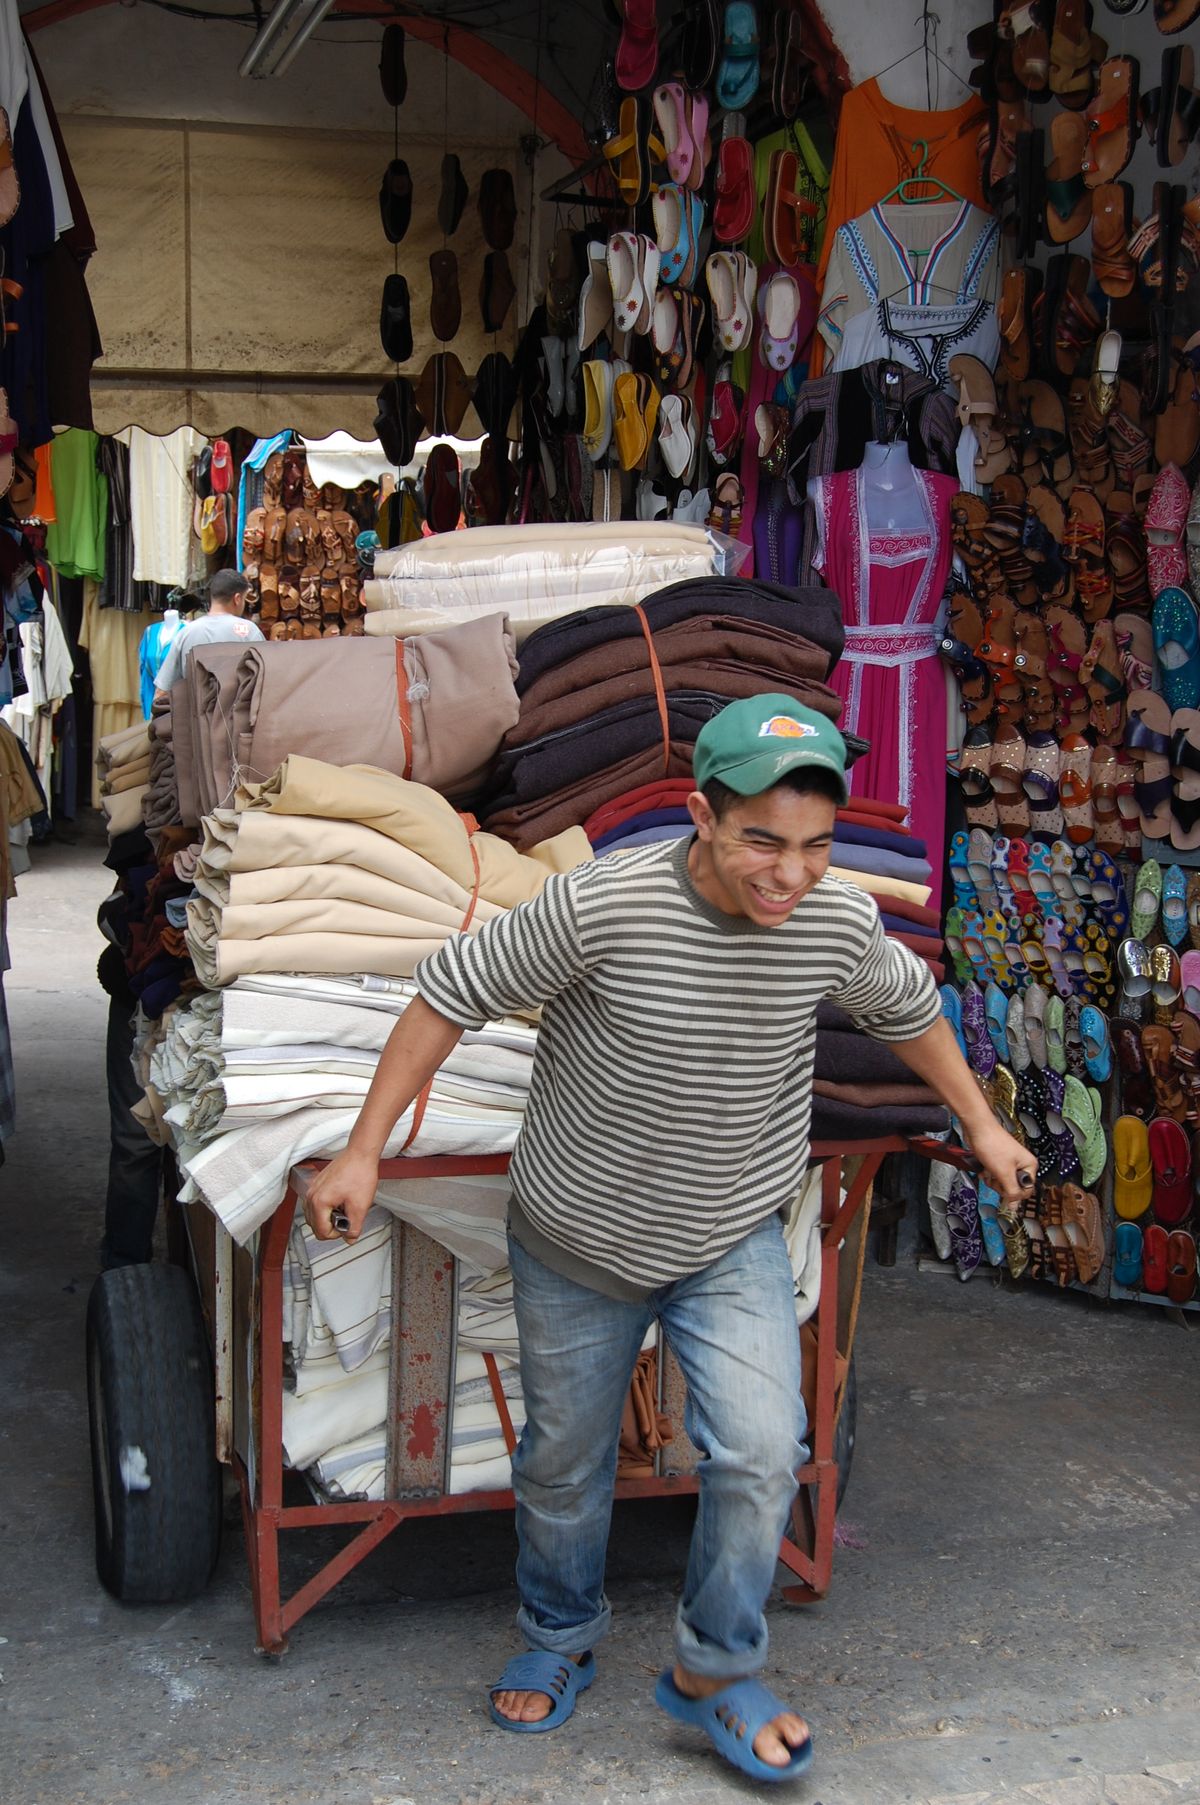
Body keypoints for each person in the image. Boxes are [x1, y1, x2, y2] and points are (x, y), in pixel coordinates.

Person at [304, 693, 1033, 1786]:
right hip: (577, 1237)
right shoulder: (605, 904)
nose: (792, 872)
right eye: (763, 842)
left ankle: (715, 1666)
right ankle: (558, 1631)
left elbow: (909, 1006)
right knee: (563, 1461)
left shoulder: (833, 919)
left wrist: (979, 1119)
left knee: (760, 1446)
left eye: (817, 845)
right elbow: (446, 995)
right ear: (700, 813)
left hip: (725, 1230)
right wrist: (363, 1148)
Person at [152, 570, 262, 702]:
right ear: (237, 599)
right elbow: (265, 681)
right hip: (238, 717)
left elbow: (162, 692)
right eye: (244, 599)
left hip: (196, 718)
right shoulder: (249, 631)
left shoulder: (186, 633)